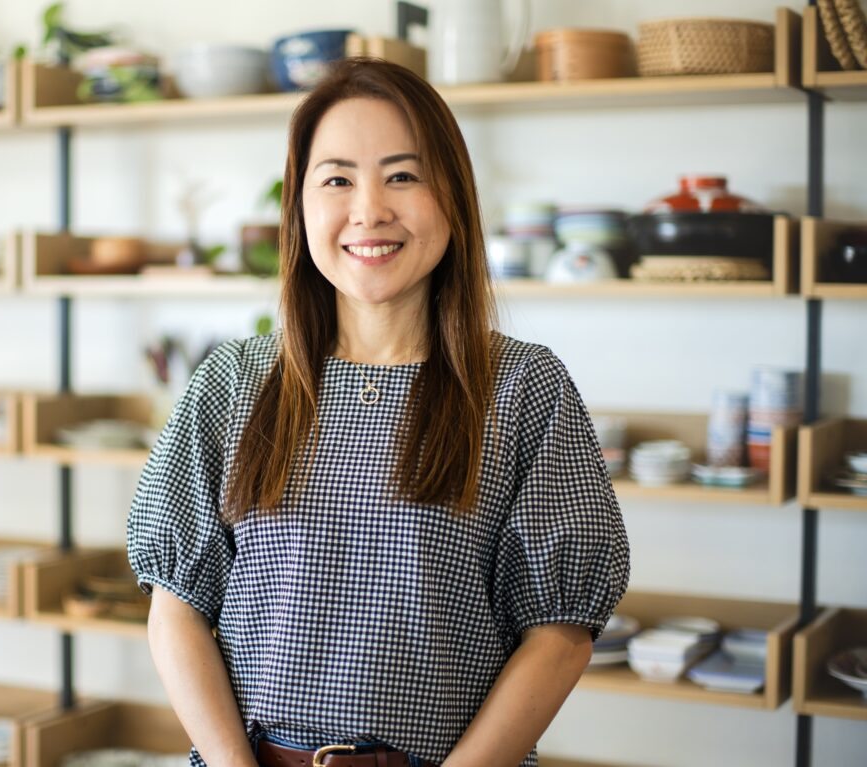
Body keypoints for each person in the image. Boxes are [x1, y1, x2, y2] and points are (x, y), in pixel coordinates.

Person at [127, 58, 630, 767]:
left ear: (451, 194)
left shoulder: (523, 386)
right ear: (300, 207)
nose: (369, 210)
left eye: (402, 175)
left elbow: (561, 630)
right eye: (337, 179)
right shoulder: (232, 382)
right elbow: (175, 604)